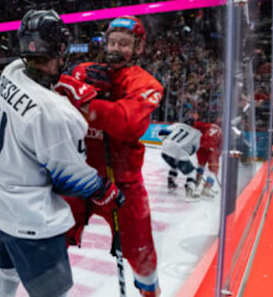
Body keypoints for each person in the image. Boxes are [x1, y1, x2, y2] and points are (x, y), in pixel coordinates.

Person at [0, 9, 124, 297]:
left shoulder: (11, 72)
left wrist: (66, 86)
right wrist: (107, 191)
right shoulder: (56, 115)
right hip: (27, 219)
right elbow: (71, 179)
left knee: (6, 273)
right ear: (60, 48)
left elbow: (39, 89)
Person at [55, 16, 163, 296]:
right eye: (112, 41)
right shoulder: (83, 70)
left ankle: (150, 292)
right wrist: (76, 88)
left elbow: (128, 124)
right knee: (52, 238)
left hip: (123, 183)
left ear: (138, 48)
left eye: (124, 44)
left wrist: (90, 102)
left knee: (141, 252)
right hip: (77, 177)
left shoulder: (146, 83)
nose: (116, 48)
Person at [158, 120, 202, 198]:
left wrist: (167, 143)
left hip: (164, 152)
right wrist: (184, 152)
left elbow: (161, 133)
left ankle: (171, 183)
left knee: (174, 164)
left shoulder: (177, 125)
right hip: (179, 153)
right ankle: (189, 193)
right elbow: (193, 149)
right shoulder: (197, 133)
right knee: (192, 172)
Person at [193, 114, 222, 198]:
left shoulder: (208, 125)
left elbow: (196, 125)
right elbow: (221, 146)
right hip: (212, 149)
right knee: (213, 171)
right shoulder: (222, 132)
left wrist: (196, 119)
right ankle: (206, 190)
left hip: (201, 147)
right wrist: (216, 159)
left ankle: (196, 184)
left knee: (201, 166)